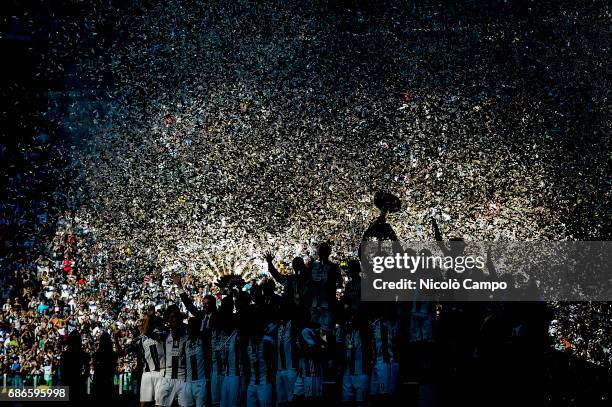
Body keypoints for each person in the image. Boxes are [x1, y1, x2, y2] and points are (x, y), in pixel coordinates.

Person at [157, 305, 188, 407]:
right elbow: (148, 332)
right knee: (159, 404)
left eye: (174, 317)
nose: (172, 320)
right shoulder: (165, 334)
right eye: (170, 318)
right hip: (168, 377)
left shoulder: (187, 334)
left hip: (182, 377)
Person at [246, 316, 275, 407]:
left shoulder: (267, 342)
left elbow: (274, 362)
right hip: (252, 382)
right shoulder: (248, 341)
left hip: (265, 382)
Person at [181, 318, 207, 407]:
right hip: (188, 382)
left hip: (201, 381)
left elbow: (208, 359)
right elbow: (183, 362)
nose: (190, 328)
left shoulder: (203, 340)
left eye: (193, 326)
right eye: (189, 326)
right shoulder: (186, 343)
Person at [60, 329, 90, 403]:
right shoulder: (83, 354)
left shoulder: (64, 355)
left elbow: (62, 370)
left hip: (69, 381)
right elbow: (87, 370)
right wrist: (83, 378)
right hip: (77, 381)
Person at [92, 331, 118, 401]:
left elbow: (94, 365)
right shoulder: (114, 354)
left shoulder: (97, 354)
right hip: (108, 379)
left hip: (99, 379)